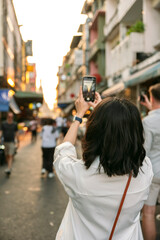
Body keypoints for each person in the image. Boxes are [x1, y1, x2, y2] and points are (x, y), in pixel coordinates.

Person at [53, 87, 153, 240]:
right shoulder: (145, 169)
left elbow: (63, 150)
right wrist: (103, 110)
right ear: (136, 132)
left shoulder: (78, 175)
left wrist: (79, 115)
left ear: (94, 131)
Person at [140, 83, 160, 240]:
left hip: (154, 172)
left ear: (152, 98)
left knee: (148, 213)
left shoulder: (148, 121)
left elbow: (144, 151)